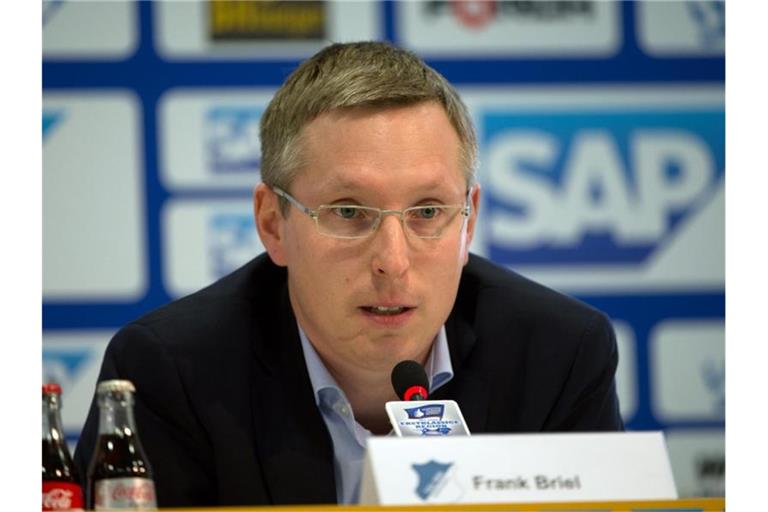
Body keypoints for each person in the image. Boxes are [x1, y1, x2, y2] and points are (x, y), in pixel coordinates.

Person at [74, 41, 623, 508]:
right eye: (349, 212)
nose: (393, 259)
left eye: (428, 212)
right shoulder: (170, 373)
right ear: (273, 224)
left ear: (469, 221)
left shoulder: (561, 353)